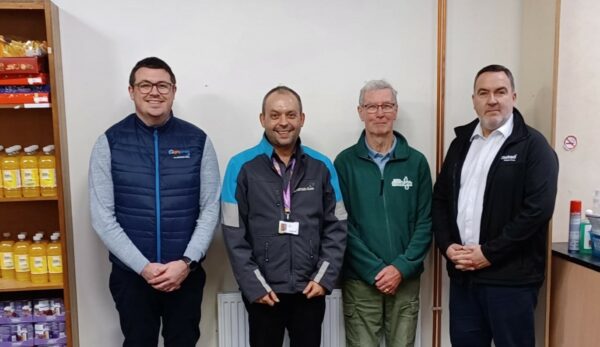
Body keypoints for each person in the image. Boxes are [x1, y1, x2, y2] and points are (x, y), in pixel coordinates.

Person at [89, 57, 220, 347]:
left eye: (162, 85)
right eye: (145, 85)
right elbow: (102, 217)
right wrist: (144, 268)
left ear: (174, 90)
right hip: (132, 277)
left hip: (184, 275)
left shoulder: (198, 141)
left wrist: (185, 263)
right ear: (131, 91)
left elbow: (210, 209)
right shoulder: (109, 142)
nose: (154, 92)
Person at [432, 64, 558, 347]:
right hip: (464, 278)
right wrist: (447, 246)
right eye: (483, 93)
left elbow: (538, 210)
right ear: (473, 100)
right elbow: (440, 200)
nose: (492, 100)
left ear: (513, 96)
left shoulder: (534, 147)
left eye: (500, 91)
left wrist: (488, 253)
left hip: (511, 283)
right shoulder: (461, 143)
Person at [221, 85, 347, 347]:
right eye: (275, 115)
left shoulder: (322, 166)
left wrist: (323, 279)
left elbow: (337, 225)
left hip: (310, 289)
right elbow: (233, 232)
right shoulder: (240, 166)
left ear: (302, 119)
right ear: (262, 119)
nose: (283, 122)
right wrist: (254, 286)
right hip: (264, 291)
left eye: (291, 115)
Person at [334, 80, 432, 347]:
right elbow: (341, 225)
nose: (380, 113)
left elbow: (426, 223)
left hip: (405, 280)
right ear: (360, 111)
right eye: (372, 106)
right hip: (361, 282)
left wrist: (400, 268)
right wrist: (376, 270)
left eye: (386, 105)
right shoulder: (344, 163)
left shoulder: (417, 163)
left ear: (396, 110)